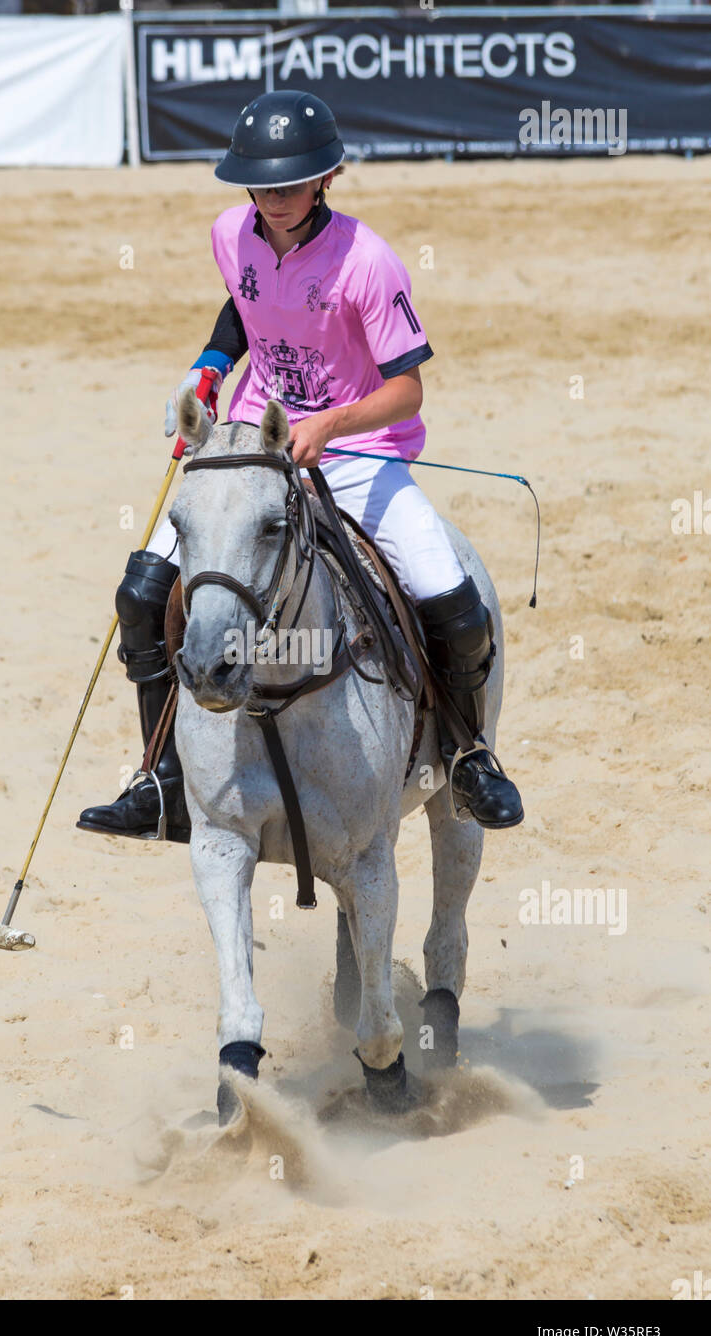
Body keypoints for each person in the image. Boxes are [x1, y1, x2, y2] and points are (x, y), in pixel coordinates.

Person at [77, 90, 523, 843]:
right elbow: (244, 307)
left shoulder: (369, 262)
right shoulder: (231, 231)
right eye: (262, 184)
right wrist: (208, 369)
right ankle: (163, 781)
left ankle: (468, 752)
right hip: (254, 445)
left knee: (452, 596)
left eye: (292, 183)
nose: (276, 199)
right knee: (142, 593)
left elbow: (407, 387)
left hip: (358, 455)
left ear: (328, 177)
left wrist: (330, 423)